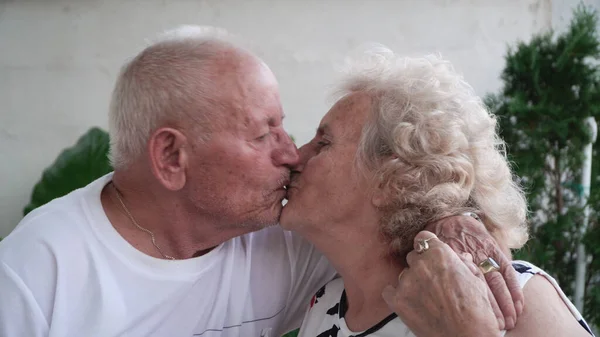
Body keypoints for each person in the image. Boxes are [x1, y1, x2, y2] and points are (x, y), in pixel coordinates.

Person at [0, 27, 517, 337]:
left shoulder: (288, 234)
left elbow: (390, 207)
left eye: (285, 125)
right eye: (262, 133)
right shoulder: (35, 272)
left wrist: (449, 214)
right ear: (172, 157)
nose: (290, 152)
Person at [280, 48, 595, 336]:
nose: (296, 155)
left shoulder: (508, 297)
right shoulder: (325, 303)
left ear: (390, 181)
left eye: (323, 143)